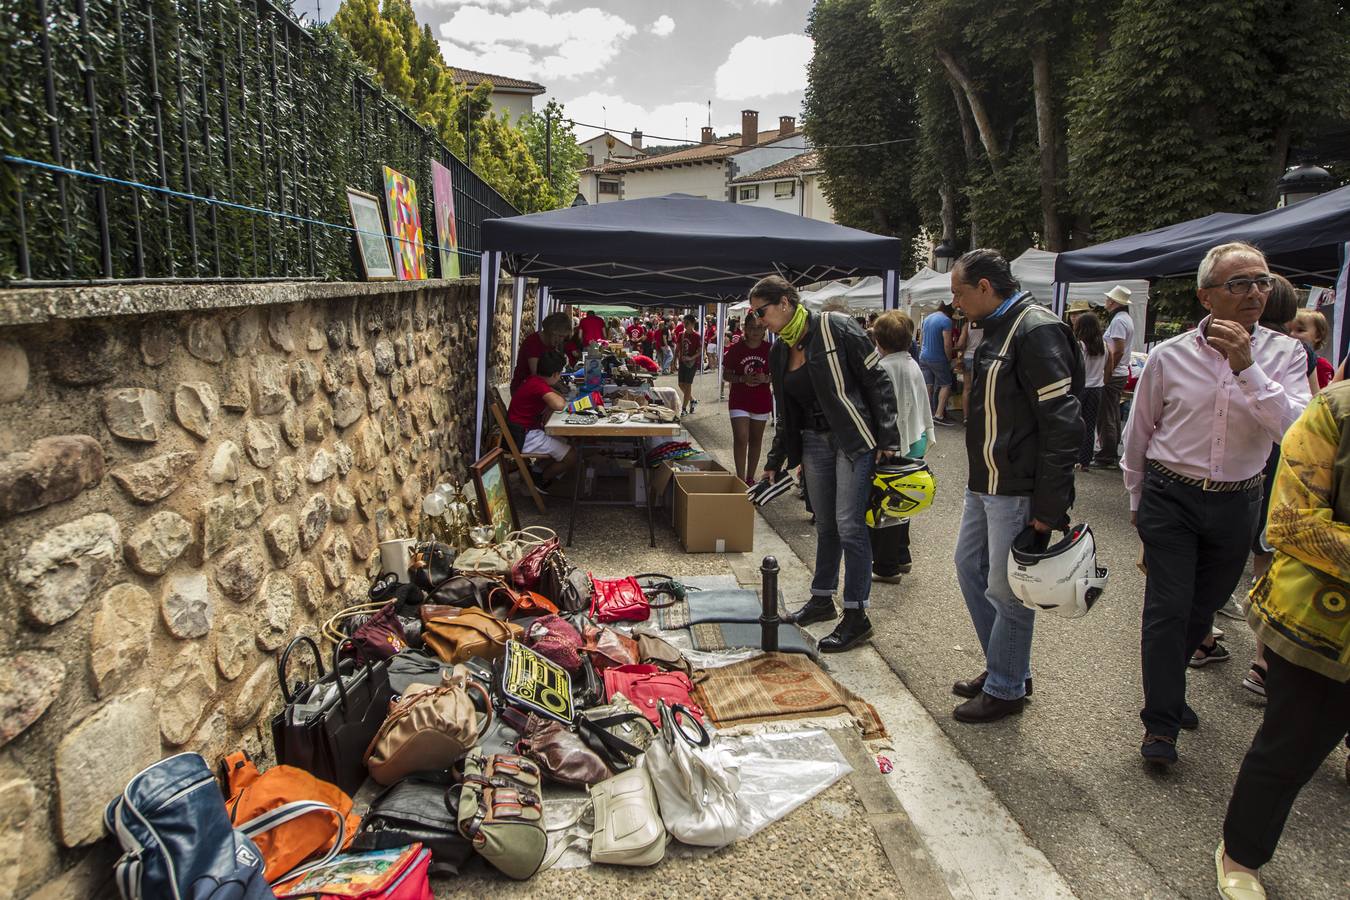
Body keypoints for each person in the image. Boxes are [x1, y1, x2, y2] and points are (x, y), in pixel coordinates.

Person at [1122, 242, 1311, 765]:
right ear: (1207, 297)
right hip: (1170, 494)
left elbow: (1297, 433)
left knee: (1203, 608)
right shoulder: (1169, 355)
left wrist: (1248, 369)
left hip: (1238, 500)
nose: (1255, 292)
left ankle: (1170, 692)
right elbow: (1139, 433)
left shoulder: (1286, 355)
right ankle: (1159, 725)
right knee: (1167, 608)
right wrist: (1137, 500)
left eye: (1262, 281)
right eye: (1239, 283)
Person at [1214, 381, 1350, 900]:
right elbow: (1291, 523)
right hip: (1324, 623)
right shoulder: (1335, 408)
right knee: (1290, 744)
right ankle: (1241, 853)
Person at [949, 249, 1083, 723]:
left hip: (1015, 486)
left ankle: (1006, 686)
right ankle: (1005, 666)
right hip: (985, 482)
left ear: (985, 287)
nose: (955, 302)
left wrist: (1049, 507)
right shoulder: (1001, 328)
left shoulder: (1035, 329)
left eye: (959, 293)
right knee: (970, 568)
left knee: (1008, 591)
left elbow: (1063, 423)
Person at [755, 275, 900, 653]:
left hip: (853, 440)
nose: (758, 320)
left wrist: (888, 437)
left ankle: (857, 615)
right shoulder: (779, 351)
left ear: (786, 302)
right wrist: (776, 459)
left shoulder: (835, 326)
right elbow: (786, 411)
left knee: (850, 525)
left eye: (762, 311)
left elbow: (877, 380)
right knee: (827, 525)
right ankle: (822, 598)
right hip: (813, 442)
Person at [870, 311, 935, 582]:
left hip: (894, 444)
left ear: (879, 340)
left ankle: (887, 567)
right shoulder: (911, 363)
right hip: (916, 438)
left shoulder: (885, 368)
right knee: (904, 498)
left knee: (885, 505)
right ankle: (902, 555)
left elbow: (884, 411)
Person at [506, 350, 576, 488]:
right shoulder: (538, 385)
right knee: (571, 456)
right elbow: (559, 404)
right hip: (524, 436)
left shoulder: (534, 380)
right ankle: (539, 481)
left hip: (522, 432)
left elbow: (555, 397)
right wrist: (557, 397)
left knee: (567, 442)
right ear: (556, 374)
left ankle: (537, 471)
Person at [723, 313, 773, 483]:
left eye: (759, 327)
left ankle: (750, 477)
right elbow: (726, 374)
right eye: (751, 327)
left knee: (756, 439)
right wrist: (742, 379)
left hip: (761, 399)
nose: (755, 331)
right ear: (745, 329)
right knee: (741, 437)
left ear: (765, 328)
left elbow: (777, 374)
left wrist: (766, 378)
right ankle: (739, 477)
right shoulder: (736, 349)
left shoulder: (770, 349)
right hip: (739, 399)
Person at [1094, 285, 1135, 468]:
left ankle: (1106, 454)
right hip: (1120, 371)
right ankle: (1110, 452)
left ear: (1113, 302)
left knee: (1106, 414)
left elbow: (1116, 350)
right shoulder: (1124, 319)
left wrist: (1107, 372)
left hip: (1115, 372)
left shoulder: (1119, 321)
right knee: (1111, 413)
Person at [1074, 311, 1107, 472]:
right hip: (1097, 388)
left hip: (1081, 387)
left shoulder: (1080, 345)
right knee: (1090, 424)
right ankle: (1085, 460)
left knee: (1075, 423)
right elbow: (1110, 365)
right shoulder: (1104, 345)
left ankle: (1073, 456)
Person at [510, 312, 572, 394]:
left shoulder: (551, 344)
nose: (561, 340)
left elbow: (550, 373)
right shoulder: (533, 343)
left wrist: (559, 384)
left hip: (535, 389)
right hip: (523, 390)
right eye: (560, 336)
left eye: (564, 337)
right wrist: (557, 391)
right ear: (551, 331)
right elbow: (537, 376)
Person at [918, 302, 957, 425]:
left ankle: (926, 413)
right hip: (938, 357)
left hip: (923, 356)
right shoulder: (946, 321)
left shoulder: (928, 318)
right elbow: (947, 343)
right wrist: (949, 357)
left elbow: (921, 339)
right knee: (946, 384)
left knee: (928, 385)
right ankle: (939, 415)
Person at [1291, 309, 1334, 389]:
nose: (1292, 334)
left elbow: (1321, 396)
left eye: (1300, 330)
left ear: (1317, 336)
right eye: (1289, 329)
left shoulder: (1322, 366)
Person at [677, 314, 702, 415]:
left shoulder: (697, 336)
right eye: (684, 322)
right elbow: (678, 348)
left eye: (687, 323)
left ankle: (683, 408)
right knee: (680, 384)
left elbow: (700, 351)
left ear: (692, 324)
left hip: (692, 364)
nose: (685, 325)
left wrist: (690, 358)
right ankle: (692, 400)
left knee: (687, 385)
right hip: (682, 362)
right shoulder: (681, 335)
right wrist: (674, 361)